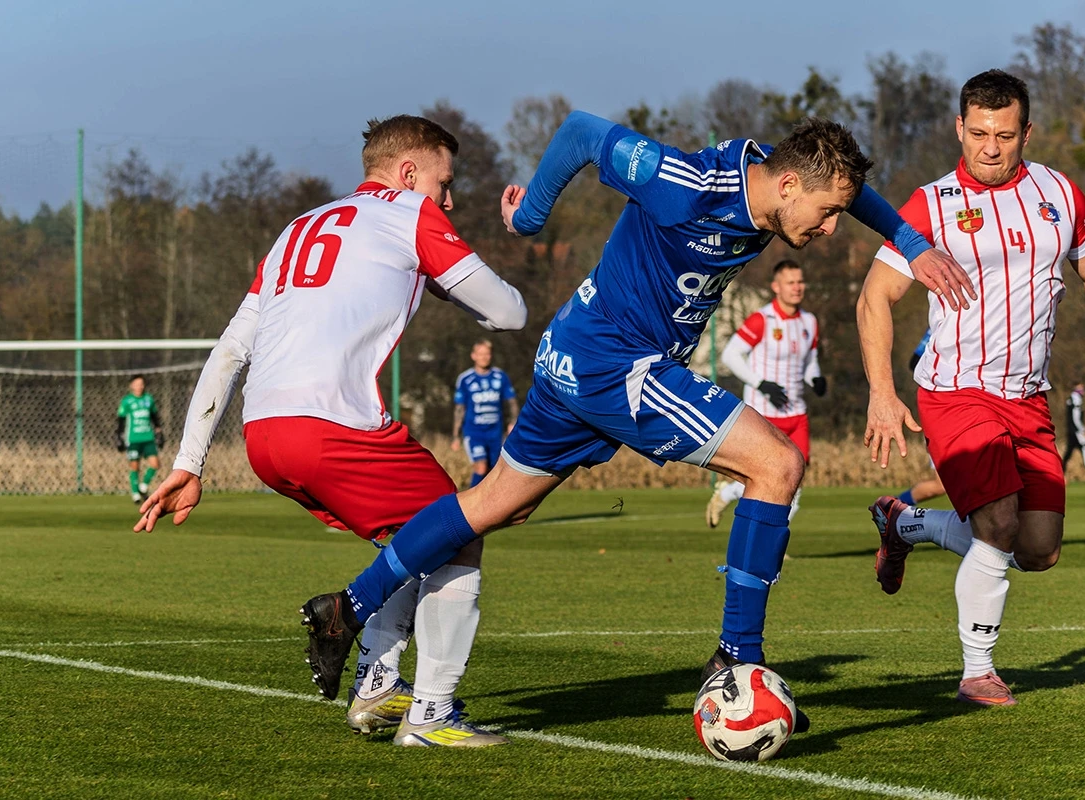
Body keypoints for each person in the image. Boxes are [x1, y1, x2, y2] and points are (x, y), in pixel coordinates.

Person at [289, 109, 977, 715]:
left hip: (575, 354)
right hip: (614, 362)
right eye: (825, 214)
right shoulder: (687, 183)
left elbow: (853, 194)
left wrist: (913, 244)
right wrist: (530, 217)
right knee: (778, 464)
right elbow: (582, 132)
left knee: (493, 504)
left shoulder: (780, 180)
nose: (829, 228)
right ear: (790, 185)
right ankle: (738, 659)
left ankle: (345, 609)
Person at [135, 114, 527, 747]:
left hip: (264, 437)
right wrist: (463, 262)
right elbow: (509, 312)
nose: (449, 200)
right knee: (461, 531)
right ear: (408, 173)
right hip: (332, 430)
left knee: (414, 537)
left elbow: (230, 351)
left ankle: (379, 686)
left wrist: (190, 461)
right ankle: (431, 715)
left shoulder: (296, 228)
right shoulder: (412, 215)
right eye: (445, 182)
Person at [857, 70, 1085, 707]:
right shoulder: (929, 206)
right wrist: (881, 391)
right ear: (959, 128)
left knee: (1037, 550)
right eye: (979, 133)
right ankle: (977, 671)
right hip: (955, 390)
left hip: (1028, 396)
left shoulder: (1060, 195)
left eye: (1005, 136)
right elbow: (876, 297)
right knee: (999, 522)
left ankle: (905, 523)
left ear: (1026, 133)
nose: (990, 147)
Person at [706, 260, 826, 526]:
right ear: (776, 287)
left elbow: (810, 361)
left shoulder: (809, 321)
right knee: (767, 478)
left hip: (797, 413)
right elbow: (731, 355)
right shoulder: (762, 320)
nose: (797, 287)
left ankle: (767, 533)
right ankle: (732, 497)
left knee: (794, 479)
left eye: (800, 282)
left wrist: (815, 378)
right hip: (763, 413)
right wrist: (761, 384)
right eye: (790, 283)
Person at [451, 339, 519, 486]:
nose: (484, 357)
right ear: (473, 356)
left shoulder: (500, 376)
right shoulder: (465, 379)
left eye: (487, 354)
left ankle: (492, 500)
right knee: (481, 467)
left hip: (495, 432)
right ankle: (472, 499)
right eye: (480, 354)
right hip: (474, 432)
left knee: (495, 471)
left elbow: (511, 402)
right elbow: (459, 409)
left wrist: (513, 422)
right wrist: (456, 436)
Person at [897, 330, 946, 506]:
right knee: (941, 485)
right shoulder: (943, 321)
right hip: (945, 410)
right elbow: (915, 361)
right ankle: (892, 507)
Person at [115, 375, 164, 503]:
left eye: (141, 384)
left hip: (148, 437)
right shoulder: (127, 401)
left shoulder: (148, 399)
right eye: (136, 384)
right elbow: (121, 420)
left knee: (155, 464)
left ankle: (143, 486)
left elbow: (154, 417)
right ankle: (135, 493)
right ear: (131, 385)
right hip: (133, 439)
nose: (139, 386)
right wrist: (119, 436)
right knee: (134, 467)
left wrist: (159, 432)